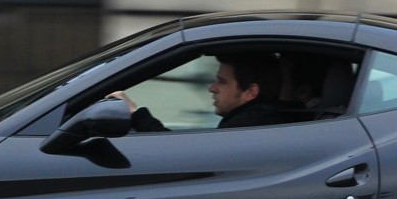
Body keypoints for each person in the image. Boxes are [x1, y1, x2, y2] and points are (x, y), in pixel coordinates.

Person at [113, 51, 285, 132]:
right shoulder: (258, 122)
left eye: (222, 81)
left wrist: (135, 113)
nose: (212, 88)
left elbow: (180, 156)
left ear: (250, 92)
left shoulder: (246, 128)